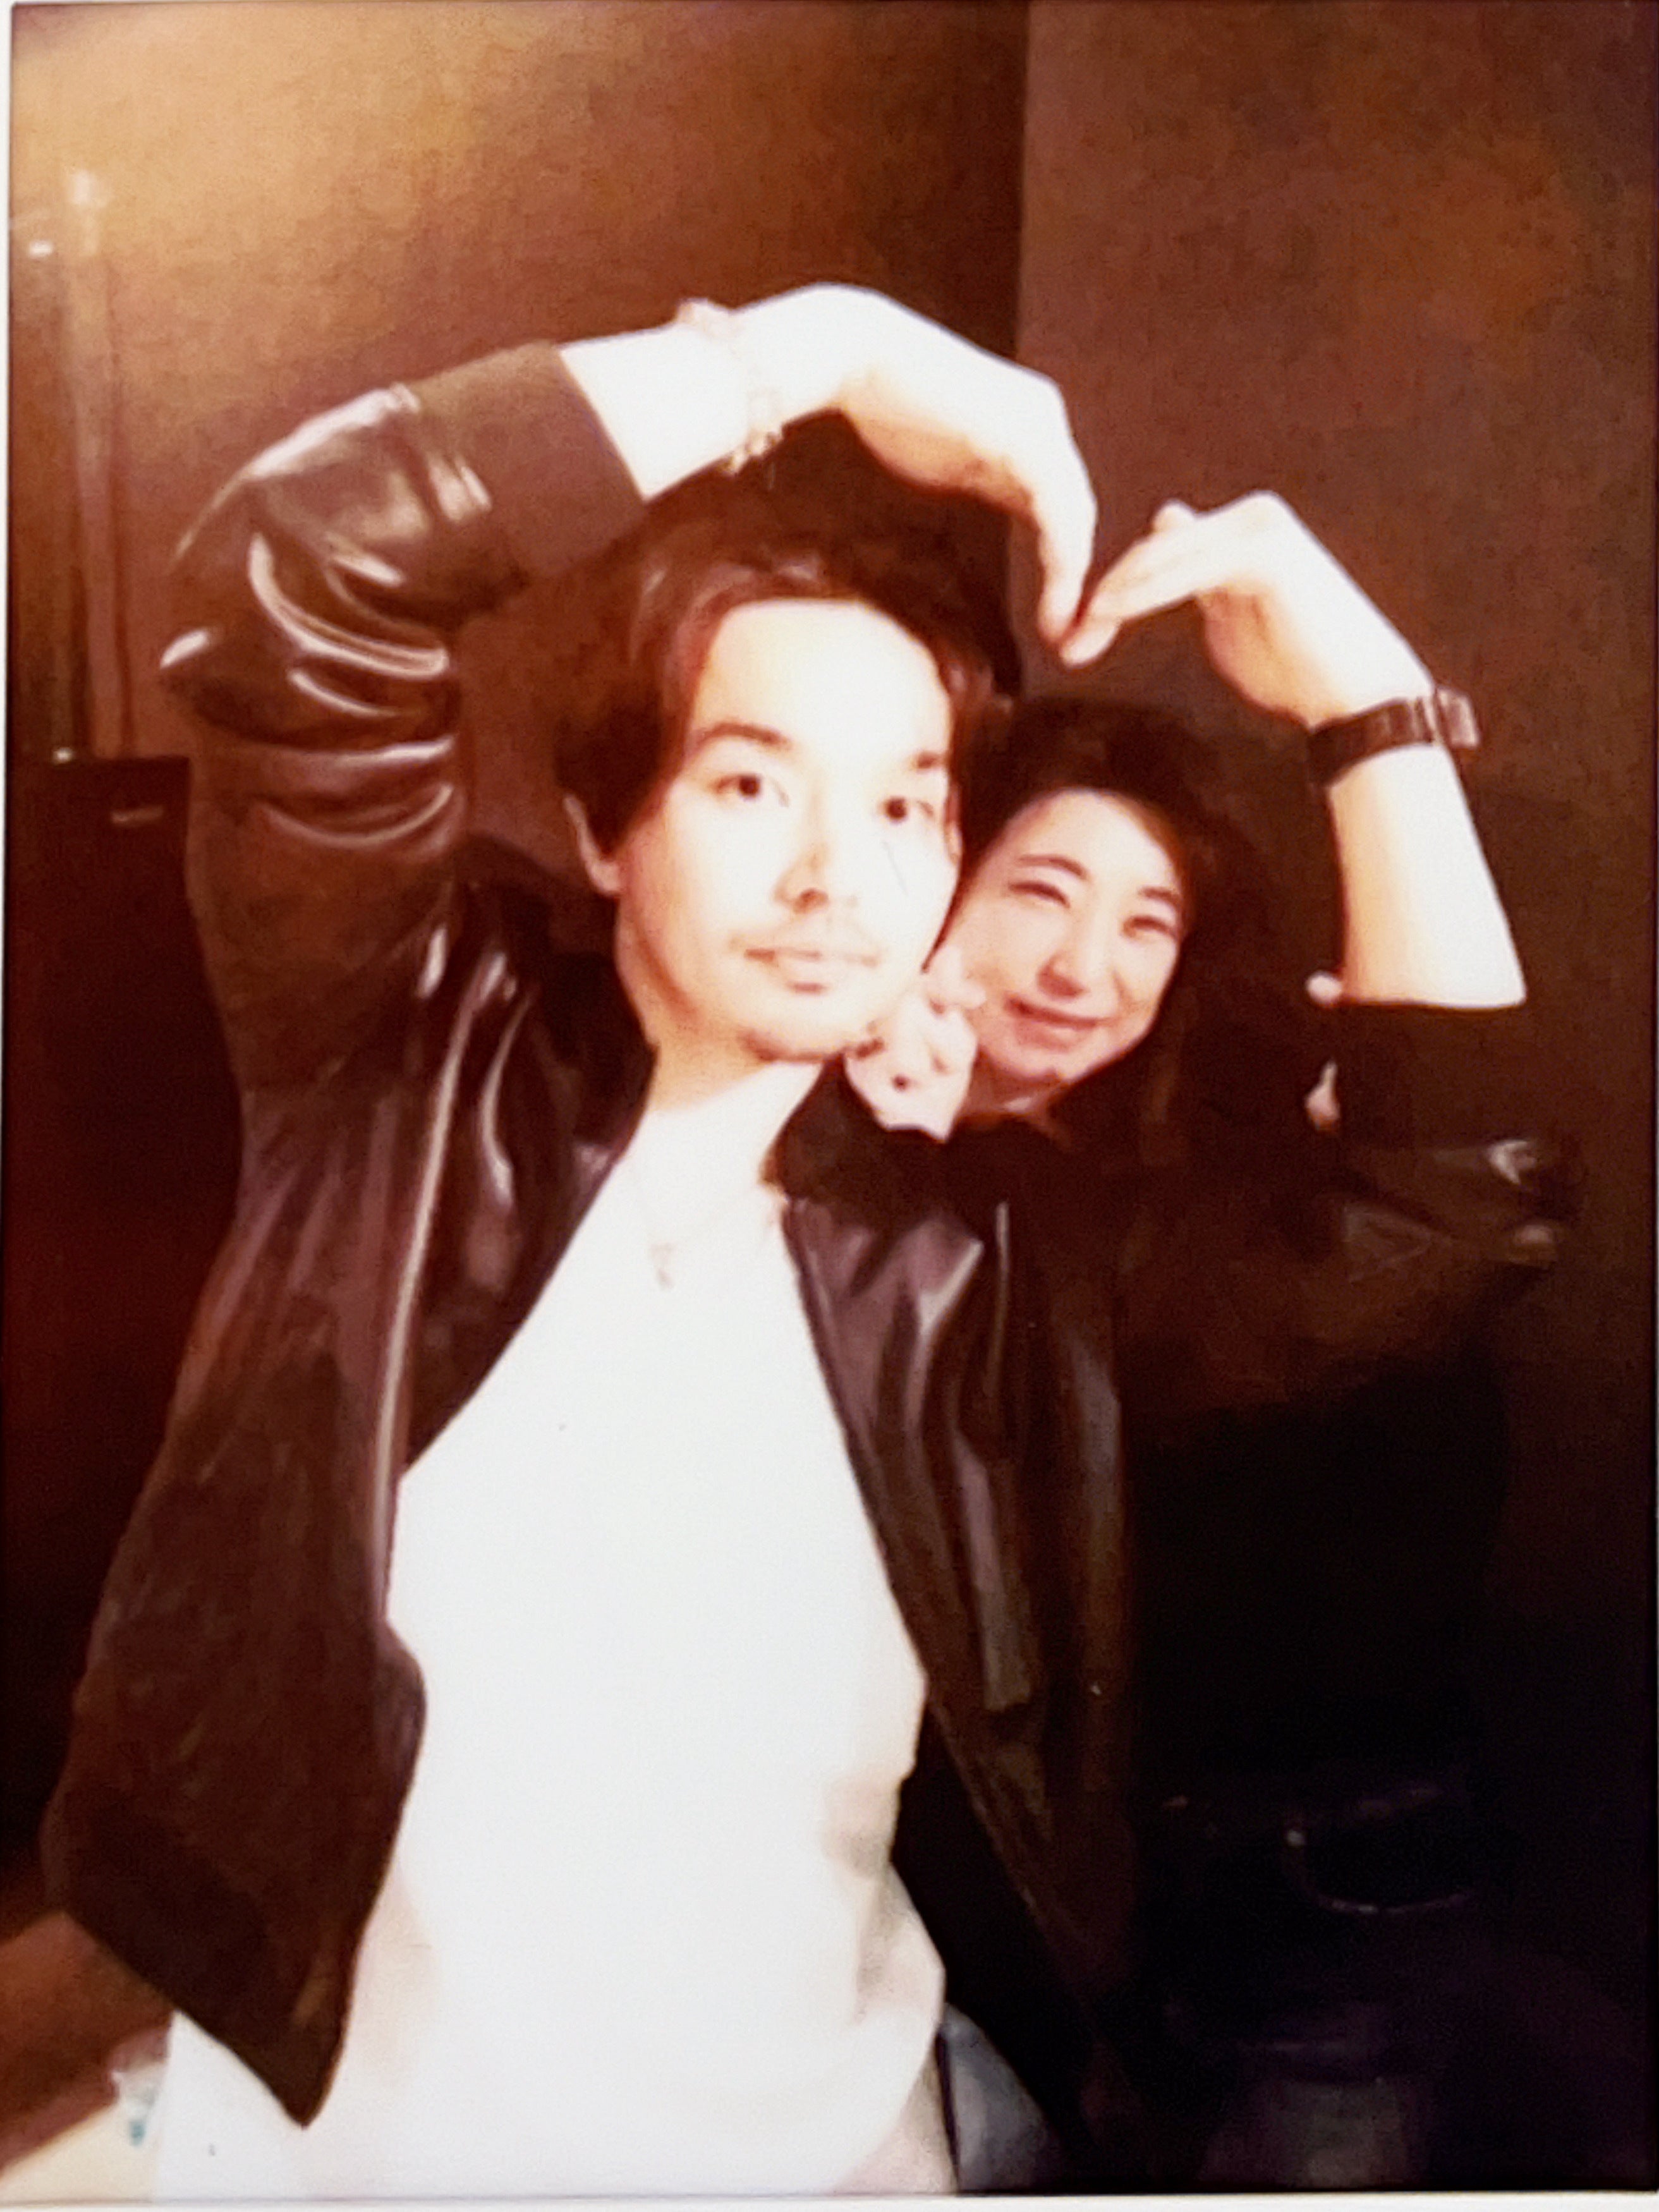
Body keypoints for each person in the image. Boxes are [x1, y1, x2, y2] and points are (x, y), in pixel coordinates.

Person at [33, 286, 1559, 2196]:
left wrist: (1371, 706)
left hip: (827, 2161)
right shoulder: (409, 1065)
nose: (842, 875)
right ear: (607, 825)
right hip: (344, 2155)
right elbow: (300, 576)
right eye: (752, 783)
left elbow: (1454, 1204)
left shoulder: (987, 1259)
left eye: (908, 804)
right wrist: (816, 354)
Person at [846, 493, 1569, 2180]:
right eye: (1041, 891)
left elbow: (1473, 1187)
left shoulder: (1187, 1194)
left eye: (1146, 923)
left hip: (1301, 1911)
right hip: (982, 1933)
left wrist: (1367, 707)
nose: (1085, 967)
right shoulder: (816, 1155)